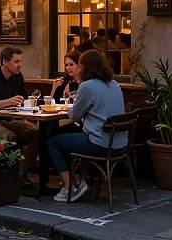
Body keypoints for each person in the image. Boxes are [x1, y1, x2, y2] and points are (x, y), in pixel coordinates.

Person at [48, 49, 127, 203]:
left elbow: (74, 115)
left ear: (85, 67)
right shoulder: (114, 84)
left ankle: (70, 186)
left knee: (53, 141)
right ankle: (78, 179)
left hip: (100, 144)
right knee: (65, 134)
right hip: (120, 144)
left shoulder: (87, 86)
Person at [0, 46, 38, 185]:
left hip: (12, 119)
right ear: (5, 61)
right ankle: (2, 177)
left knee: (38, 133)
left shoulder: (17, 77)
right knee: (6, 136)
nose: (20, 65)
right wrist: (9, 101)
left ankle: (20, 173)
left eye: (21, 61)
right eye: (16, 62)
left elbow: (25, 98)